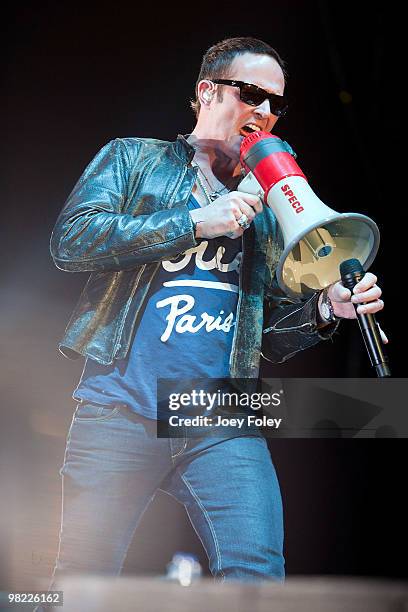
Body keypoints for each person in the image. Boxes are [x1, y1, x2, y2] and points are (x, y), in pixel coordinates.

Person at [39, 36, 386, 603]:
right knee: (78, 580)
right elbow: (72, 242)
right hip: (119, 406)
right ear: (207, 92)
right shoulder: (133, 158)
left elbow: (267, 336)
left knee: (257, 577)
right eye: (252, 94)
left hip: (223, 415)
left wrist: (325, 310)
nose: (266, 112)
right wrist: (195, 221)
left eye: (276, 103)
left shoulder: (275, 199)